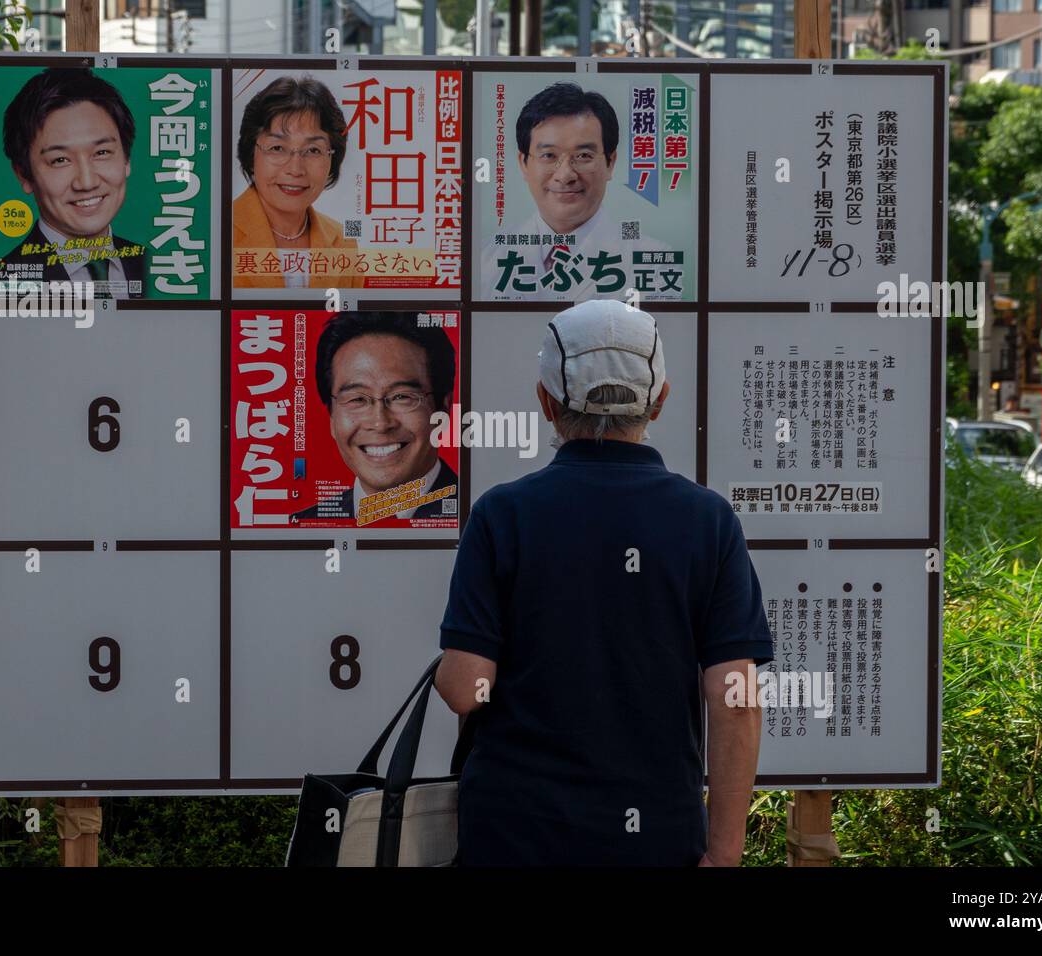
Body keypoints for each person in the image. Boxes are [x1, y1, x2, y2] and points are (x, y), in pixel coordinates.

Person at [435, 298, 773, 866]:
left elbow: (467, 689)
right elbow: (735, 701)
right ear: (660, 400)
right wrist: (724, 856)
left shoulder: (503, 515)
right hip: (657, 837)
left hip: (515, 835)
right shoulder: (708, 521)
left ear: (546, 402)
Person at [478, 82, 671, 300]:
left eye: (583, 156)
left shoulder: (652, 260)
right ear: (524, 163)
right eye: (548, 155)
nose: (565, 175)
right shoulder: (483, 259)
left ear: (610, 162)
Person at [0, 68, 148, 298]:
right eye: (60, 160)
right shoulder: (1, 283)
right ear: (24, 175)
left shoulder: (157, 268)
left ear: (126, 159)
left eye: (102, 152)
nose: (86, 182)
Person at [291, 313, 457, 523]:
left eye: (401, 397)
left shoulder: (482, 519)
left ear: (443, 408)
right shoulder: (303, 525)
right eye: (357, 399)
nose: (380, 423)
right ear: (332, 417)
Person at [233, 75, 361, 289]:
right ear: (251, 154)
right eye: (277, 148)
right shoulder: (216, 233)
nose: (295, 169)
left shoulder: (343, 241)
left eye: (313, 150)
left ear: (332, 158)